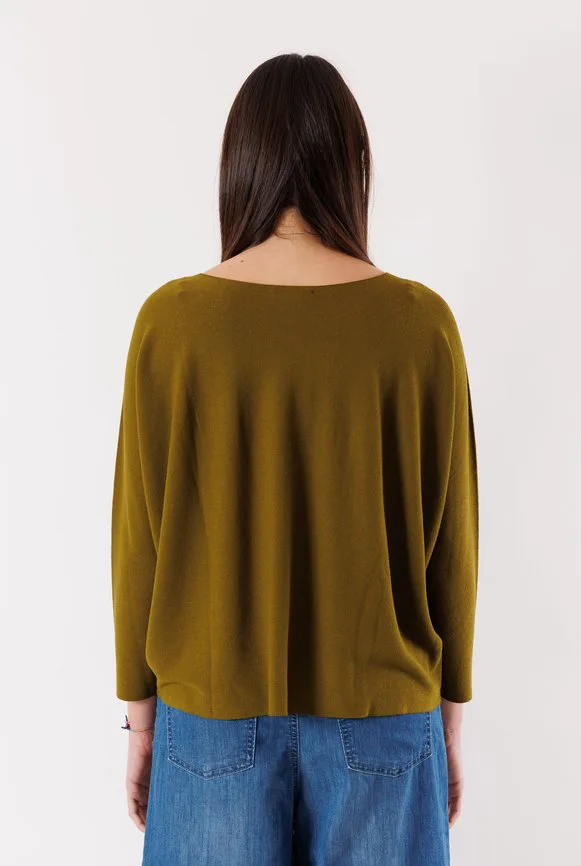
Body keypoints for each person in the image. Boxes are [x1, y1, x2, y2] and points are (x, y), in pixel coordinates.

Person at [111, 52, 479, 866]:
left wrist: (139, 721)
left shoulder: (172, 325)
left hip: (209, 720)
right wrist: (448, 721)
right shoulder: (421, 327)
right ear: (352, 166)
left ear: (239, 166)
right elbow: (453, 546)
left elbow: (139, 542)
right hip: (386, 717)